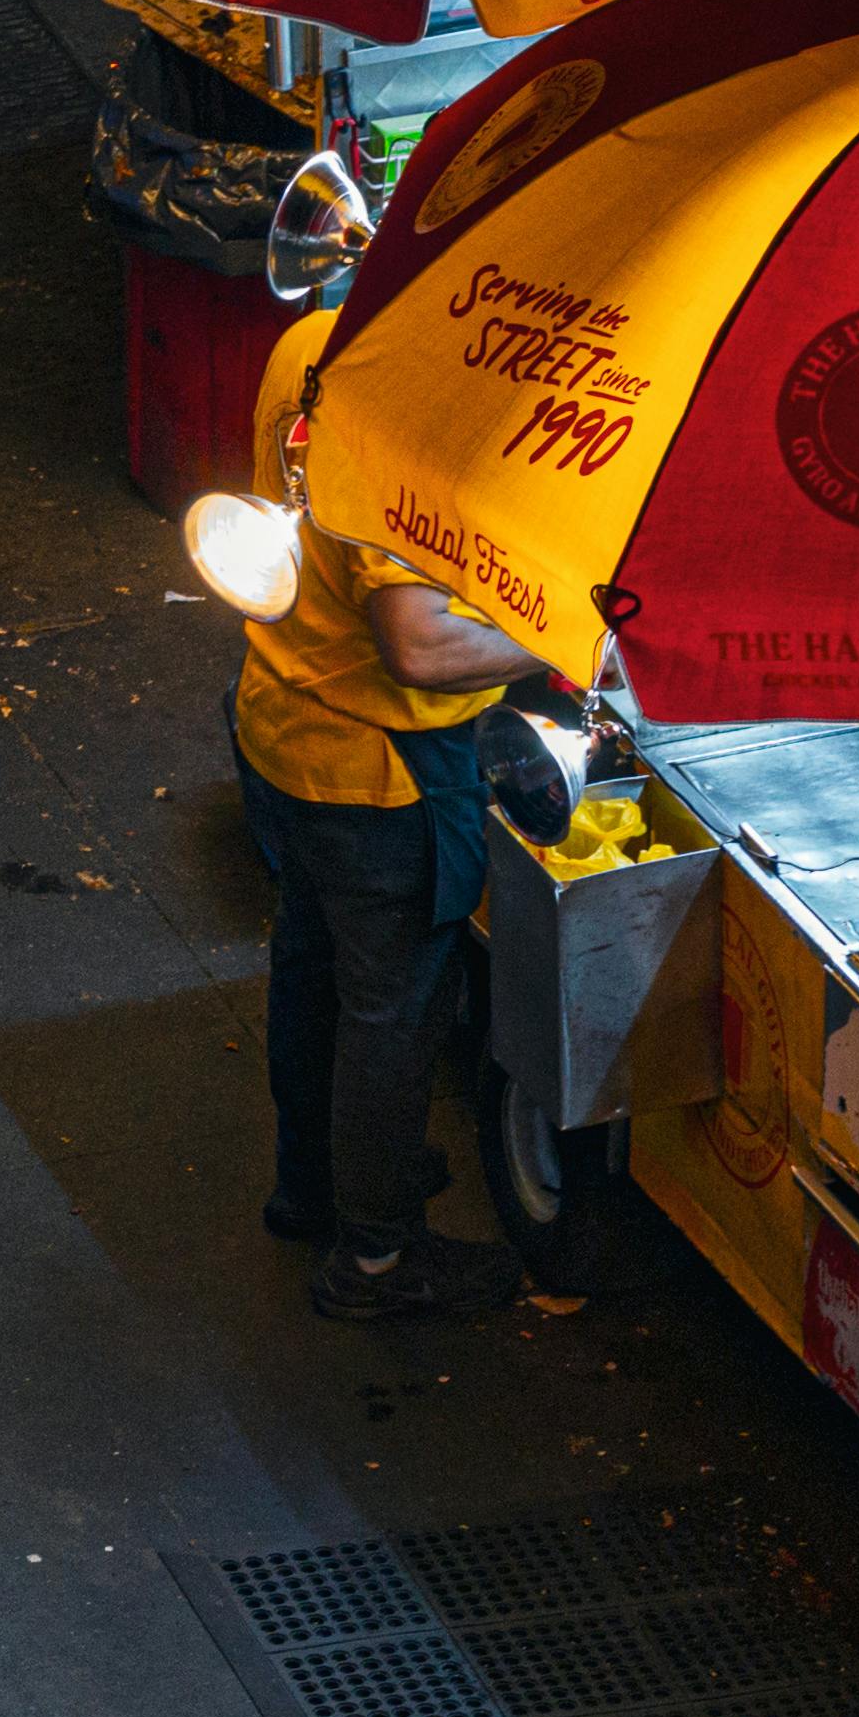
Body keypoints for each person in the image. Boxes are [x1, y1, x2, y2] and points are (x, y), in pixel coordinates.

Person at [228, 483, 553, 1319]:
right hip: (380, 774)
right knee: (394, 1012)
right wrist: (570, 642)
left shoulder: (311, 349)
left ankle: (312, 1186)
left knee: (310, 965)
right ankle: (376, 1257)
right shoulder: (414, 436)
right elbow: (419, 649)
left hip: (284, 717)